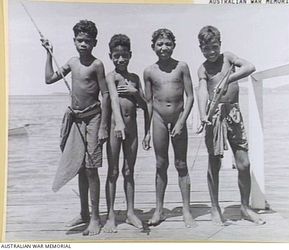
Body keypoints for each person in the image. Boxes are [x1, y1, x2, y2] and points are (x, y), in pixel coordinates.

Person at [41, 20, 125, 236]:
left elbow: (105, 94)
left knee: (91, 168)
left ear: (94, 43)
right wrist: (49, 53)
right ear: (74, 41)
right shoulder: (72, 62)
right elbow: (49, 79)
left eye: (87, 41)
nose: (83, 44)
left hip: (93, 119)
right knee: (79, 166)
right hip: (76, 120)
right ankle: (84, 212)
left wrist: (104, 125)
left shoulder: (97, 65)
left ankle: (96, 217)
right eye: (80, 40)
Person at [197, 25, 265, 225]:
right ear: (200, 48)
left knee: (244, 163)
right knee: (214, 162)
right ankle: (215, 208)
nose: (211, 52)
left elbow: (250, 67)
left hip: (234, 114)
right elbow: (202, 90)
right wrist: (202, 115)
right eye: (206, 48)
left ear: (220, 44)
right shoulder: (202, 68)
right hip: (214, 116)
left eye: (214, 47)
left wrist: (229, 79)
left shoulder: (227, 57)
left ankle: (245, 207)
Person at [143, 28, 196, 228]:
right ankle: (159, 209)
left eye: (167, 44)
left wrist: (182, 121)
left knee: (181, 164)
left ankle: (186, 210)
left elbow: (190, 96)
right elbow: (148, 102)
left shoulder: (182, 67)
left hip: (178, 119)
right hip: (158, 120)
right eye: (159, 44)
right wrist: (147, 131)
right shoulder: (149, 71)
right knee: (160, 164)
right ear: (153, 47)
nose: (164, 48)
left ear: (173, 46)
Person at [103, 34, 148, 233]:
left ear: (130, 55)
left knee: (129, 171)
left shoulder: (135, 78)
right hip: (115, 129)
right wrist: (118, 124)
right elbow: (113, 98)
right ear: (110, 56)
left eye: (124, 55)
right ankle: (111, 215)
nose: (120, 59)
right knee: (113, 171)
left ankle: (130, 212)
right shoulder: (110, 77)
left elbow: (145, 105)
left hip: (132, 130)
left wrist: (134, 91)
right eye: (116, 56)